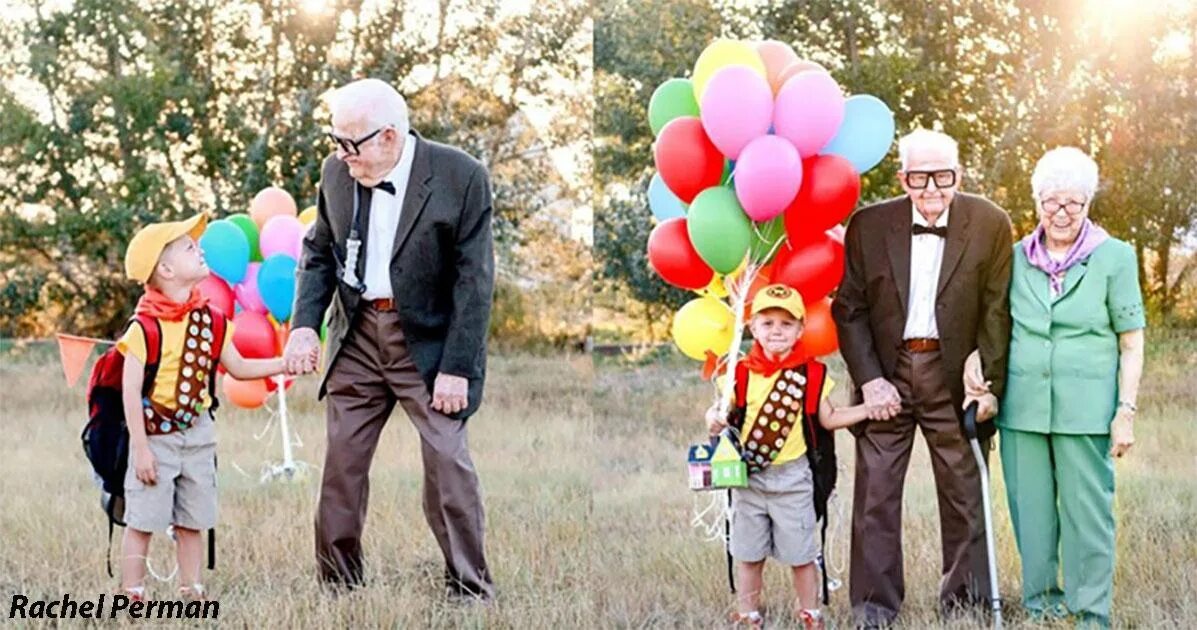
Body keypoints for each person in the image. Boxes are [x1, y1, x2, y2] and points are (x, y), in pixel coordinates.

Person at [283, 78, 497, 600]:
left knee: (448, 463)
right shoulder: (338, 172)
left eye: (348, 144)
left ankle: (470, 588)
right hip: (356, 336)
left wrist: (457, 368)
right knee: (341, 466)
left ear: (389, 138)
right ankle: (339, 585)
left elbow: (475, 282)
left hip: (428, 342)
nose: (339, 155)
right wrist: (305, 326)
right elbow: (318, 253)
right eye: (334, 141)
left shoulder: (461, 177)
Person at [830, 129, 1013, 626]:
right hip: (886, 377)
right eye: (919, 177)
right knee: (876, 496)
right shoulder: (868, 225)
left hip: (954, 376)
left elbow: (998, 309)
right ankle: (874, 608)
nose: (932, 188)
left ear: (959, 173)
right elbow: (849, 310)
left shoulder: (992, 223)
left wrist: (986, 375)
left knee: (964, 492)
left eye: (943, 176)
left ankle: (968, 602)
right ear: (902, 177)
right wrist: (869, 380)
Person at [967, 146, 1144, 629]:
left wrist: (1125, 410)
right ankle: (1043, 604)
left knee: (1088, 517)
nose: (1061, 213)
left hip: (1085, 409)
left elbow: (1131, 342)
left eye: (1074, 203)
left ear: (1088, 204)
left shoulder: (1115, 257)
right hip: (1022, 408)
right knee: (1032, 516)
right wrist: (974, 364)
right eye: (1051, 202)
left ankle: (1091, 612)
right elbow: (993, 321)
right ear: (1037, 201)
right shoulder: (1017, 257)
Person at [117, 213, 287, 601]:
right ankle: (131, 592)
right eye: (189, 248)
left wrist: (283, 364)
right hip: (155, 435)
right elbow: (130, 392)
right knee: (143, 518)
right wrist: (140, 449)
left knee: (193, 518)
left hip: (198, 434)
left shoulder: (212, 320)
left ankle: (191, 590)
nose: (201, 250)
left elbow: (239, 367)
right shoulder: (143, 328)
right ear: (165, 269)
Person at [707, 284, 872, 630]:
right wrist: (713, 419)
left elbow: (828, 418)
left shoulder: (812, 374)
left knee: (802, 556)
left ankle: (811, 613)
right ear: (753, 328)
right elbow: (718, 417)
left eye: (786, 323)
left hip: (794, 479)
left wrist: (868, 409)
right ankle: (749, 614)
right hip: (747, 480)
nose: (777, 331)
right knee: (748, 555)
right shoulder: (738, 374)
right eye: (767, 323)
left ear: (800, 329)